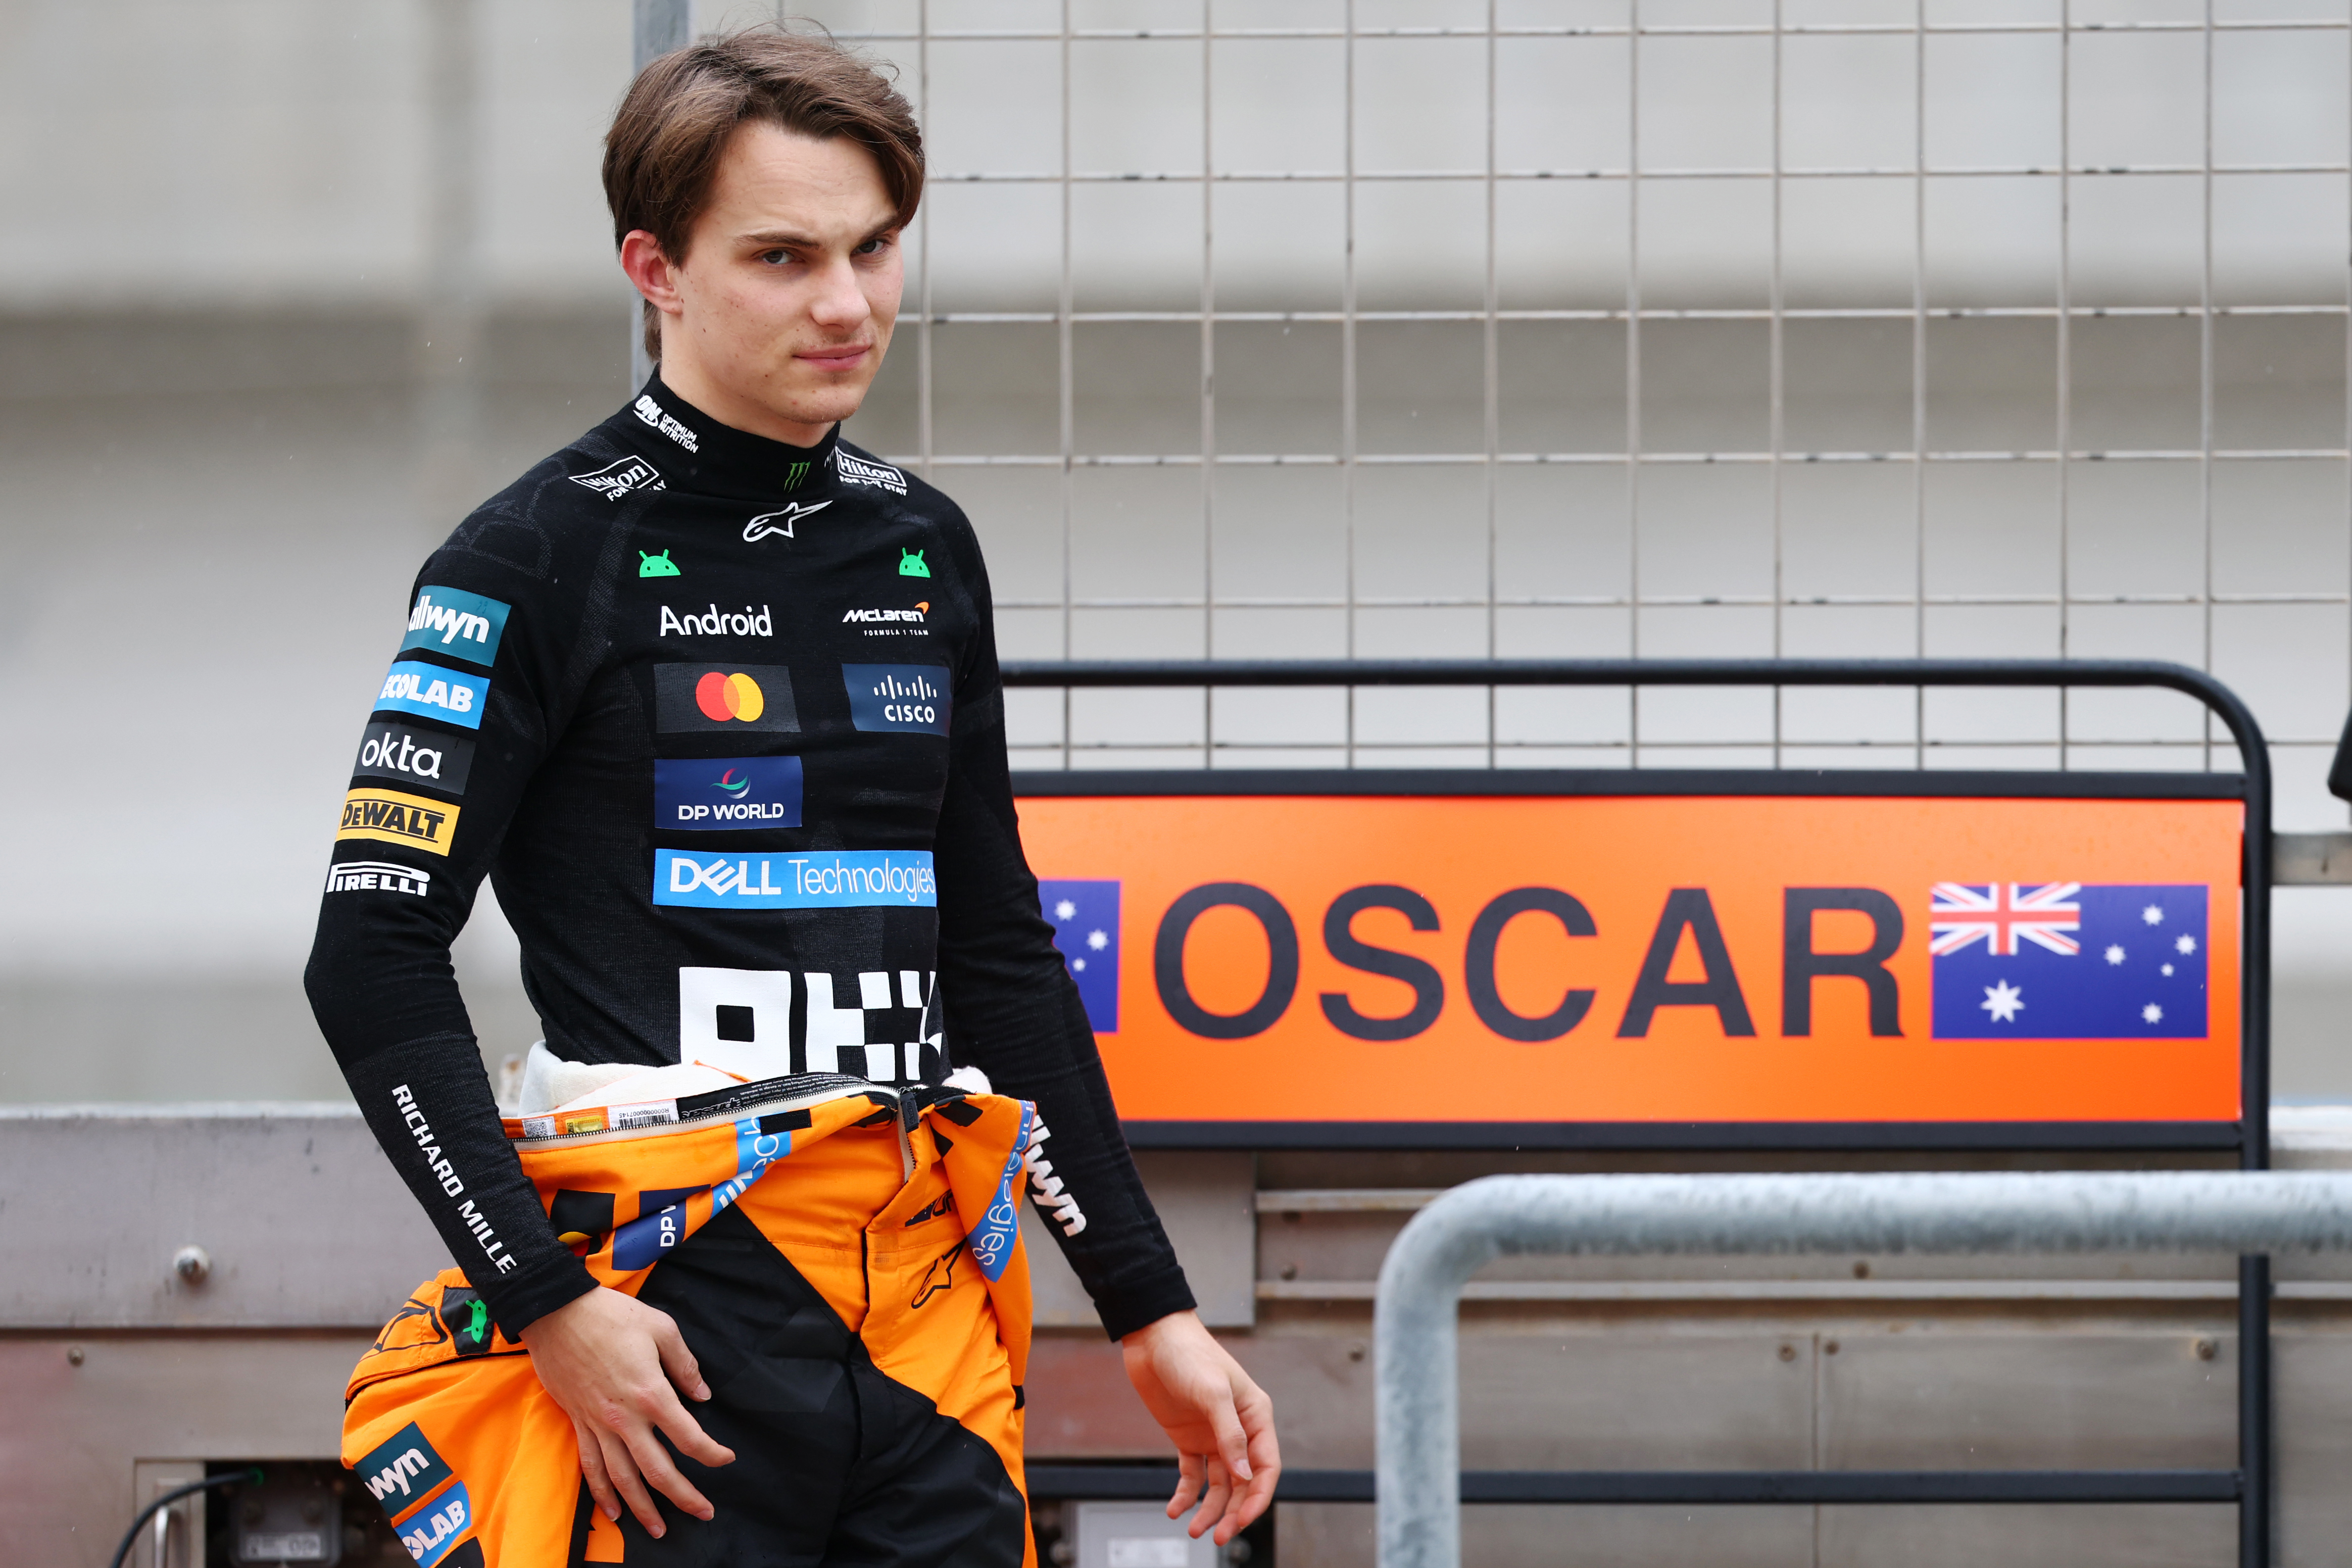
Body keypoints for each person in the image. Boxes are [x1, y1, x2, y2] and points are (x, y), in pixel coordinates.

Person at [306, 26, 1277, 1565]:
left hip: (928, 1304)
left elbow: (995, 953)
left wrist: (1150, 1310)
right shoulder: (531, 554)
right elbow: (369, 953)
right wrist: (545, 1303)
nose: (848, 304)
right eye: (783, 257)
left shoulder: (925, 544)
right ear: (656, 269)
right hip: (668, 1327)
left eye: (874, 248)